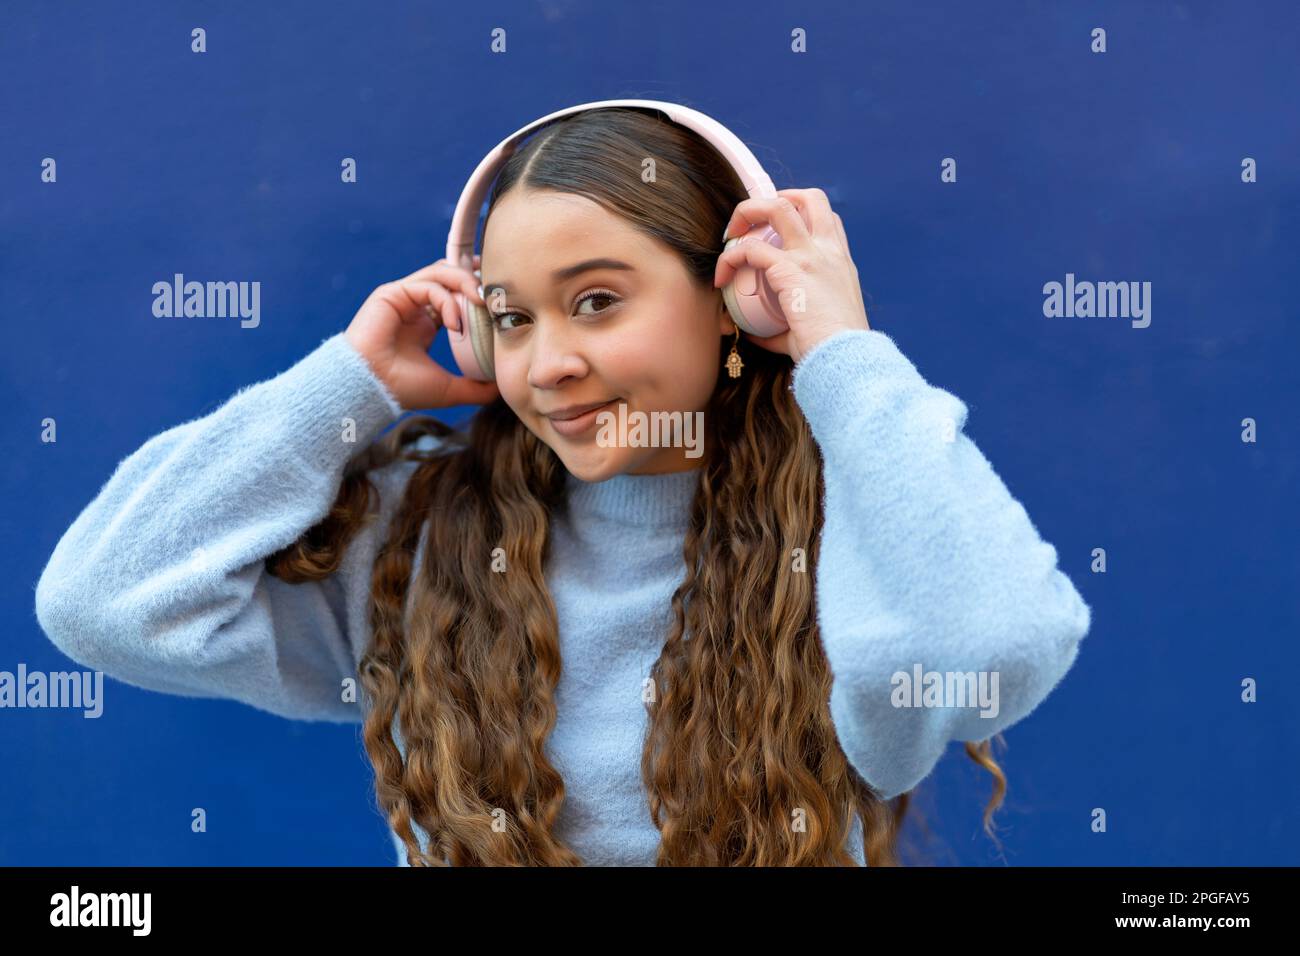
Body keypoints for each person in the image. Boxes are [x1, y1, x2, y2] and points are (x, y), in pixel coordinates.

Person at [35, 107, 1091, 866]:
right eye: (511, 315)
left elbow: (987, 647)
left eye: (595, 301)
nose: (545, 366)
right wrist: (344, 385)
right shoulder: (423, 541)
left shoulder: (855, 537)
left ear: (731, 293)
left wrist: (839, 347)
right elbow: (105, 602)